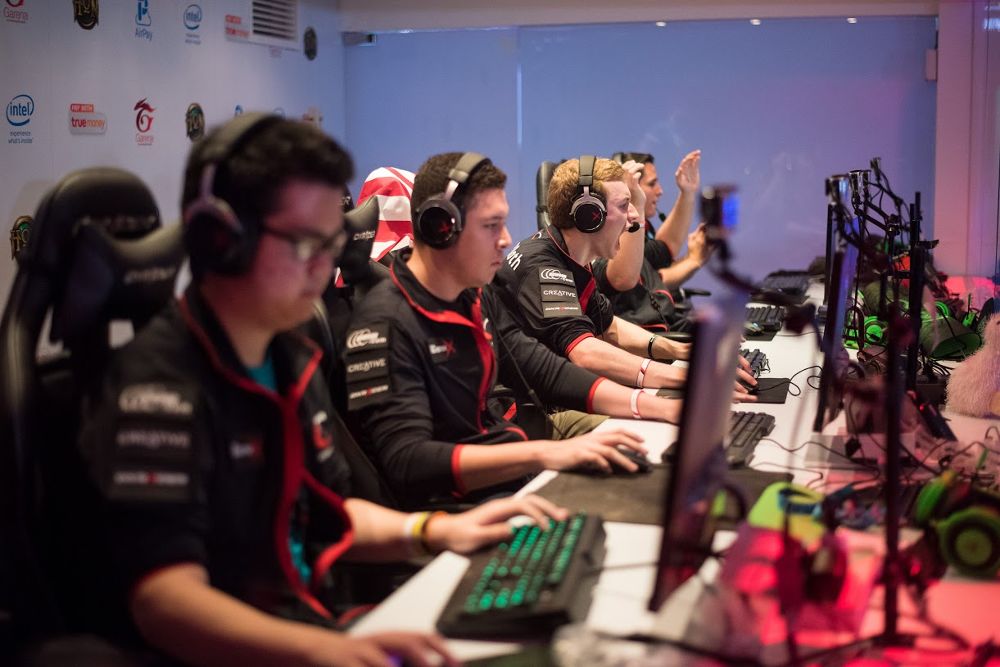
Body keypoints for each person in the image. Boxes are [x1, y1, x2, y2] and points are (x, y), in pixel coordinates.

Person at [78, 115, 563, 667]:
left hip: (314, 625)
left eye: (330, 242)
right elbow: (165, 602)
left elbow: (328, 515)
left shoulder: (289, 358)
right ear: (223, 240)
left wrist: (434, 530)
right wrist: (328, 647)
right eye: (305, 243)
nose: (324, 265)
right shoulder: (158, 386)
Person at [345, 152, 691, 509]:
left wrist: (653, 406)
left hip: (507, 465)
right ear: (442, 228)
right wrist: (543, 454)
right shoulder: (384, 322)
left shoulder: (474, 295)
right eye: (491, 225)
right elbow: (408, 462)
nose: (506, 239)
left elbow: (544, 369)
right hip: (462, 507)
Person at [491, 156, 755, 394]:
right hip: (531, 409)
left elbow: (609, 327)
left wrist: (683, 351)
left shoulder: (572, 257)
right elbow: (586, 353)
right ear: (590, 216)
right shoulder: (543, 266)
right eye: (624, 204)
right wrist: (690, 376)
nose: (634, 216)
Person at [592, 151, 711, 330]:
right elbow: (628, 278)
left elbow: (663, 250)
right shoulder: (608, 244)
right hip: (649, 335)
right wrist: (693, 261)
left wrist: (687, 192)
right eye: (652, 183)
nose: (660, 191)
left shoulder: (639, 233)